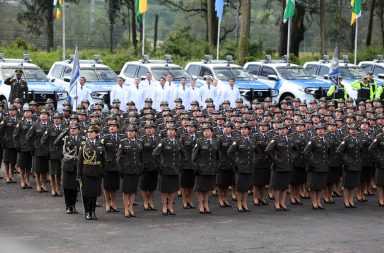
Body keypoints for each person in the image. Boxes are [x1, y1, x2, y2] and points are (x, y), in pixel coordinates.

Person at [153, 126, 186, 215]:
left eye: (172, 130)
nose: (170, 131)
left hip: (175, 169)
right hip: (165, 169)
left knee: (172, 189)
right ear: (167, 132)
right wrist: (160, 165)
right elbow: (155, 154)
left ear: (175, 132)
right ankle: (164, 206)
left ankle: (170, 206)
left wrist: (180, 164)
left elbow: (184, 155)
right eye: (169, 130)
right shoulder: (163, 142)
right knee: (164, 189)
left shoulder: (179, 142)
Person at [77, 126, 105, 220]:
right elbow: (80, 161)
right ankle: (87, 212)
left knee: (94, 193)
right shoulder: (84, 144)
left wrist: (103, 172)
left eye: (92, 132)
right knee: (86, 193)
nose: (89, 134)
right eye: (88, 132)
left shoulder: (100, 144)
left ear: (96, 134)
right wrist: (78, 174)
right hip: (86, 172)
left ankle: (93, 211)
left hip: (97, 173)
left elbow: (103, 160)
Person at [55, 124, 84, 214]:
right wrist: (64, 132)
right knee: (67, 187)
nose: (72, 130)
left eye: (75, 129)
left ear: (78, 130)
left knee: (75, 187)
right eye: (71, 129)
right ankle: (68, 206)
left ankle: (73, 206)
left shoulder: (82, 139)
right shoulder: (66, 138)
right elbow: (56, 143)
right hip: (67, 165)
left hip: (77, 165)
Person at [265, 124, 294, 211]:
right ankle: (277, 203)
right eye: (280, 129)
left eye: (283, 129)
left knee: (285, 186)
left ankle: (283, 202)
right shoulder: (275, 139)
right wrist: (275, 160)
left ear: (287, 130)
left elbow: (296, 150)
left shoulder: (291, 139)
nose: (282, 130)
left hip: (287, 165)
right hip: (278, 166)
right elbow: (267, 150)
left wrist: (292, 158)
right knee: (277, 186)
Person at [192, 124, 220, 214]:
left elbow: (218, 157)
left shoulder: (215, 142)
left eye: (208, 130)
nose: (206, 132)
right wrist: (196, 168)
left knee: (207, 188)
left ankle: (206, 204)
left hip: (211, 169)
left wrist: (216, 167)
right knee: (200, 188)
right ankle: (201, 204)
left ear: (212, 132)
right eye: (204, 131)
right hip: (201, 169)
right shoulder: (199, 142)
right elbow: (193, 158)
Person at [228, 124, 256, 212]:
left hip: (249, 166)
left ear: (249, 130)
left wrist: (253, 161)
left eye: (245, 129)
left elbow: (255, 152)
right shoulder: (237, 141)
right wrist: (235, 163)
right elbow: (229, 152)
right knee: (240, 187)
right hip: (240, 166)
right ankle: (239, 204)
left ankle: (245, 203)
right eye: (242, 129)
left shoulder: (252, 140)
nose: (243, 131)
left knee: (246, 187)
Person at [117, 125, 143, 218]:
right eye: (128, 131)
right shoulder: (123, 142)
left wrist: (141, 168)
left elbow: (141, 157)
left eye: (132, 131)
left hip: (136, 169)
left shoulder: (140, 142)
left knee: (133, 191)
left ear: (135, 132)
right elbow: (119, 158)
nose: (130, 133)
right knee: (126, 191)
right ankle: (126, 209)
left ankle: (131, 208)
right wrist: (120, 170)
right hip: (126, 170)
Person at [303, 124, 329, 210]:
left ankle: (319, 201)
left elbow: (328, 152)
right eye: (318, 129)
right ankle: (314, 202)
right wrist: (311, 162)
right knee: (314, 186)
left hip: (324, 165)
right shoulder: (313, 140)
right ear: (316, 131)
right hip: (315, 166)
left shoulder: (326, 139)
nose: (320, 131)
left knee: (321, 185)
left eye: (322, 129)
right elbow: (305, 152)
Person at [336, 124, 362, 208]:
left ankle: (351, 200)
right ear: (349, 130)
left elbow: (361, 151)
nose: (353, 130)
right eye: (351, 129)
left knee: (354, 184)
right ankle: (346, 200)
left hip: (357, 164)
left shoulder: (359, 139)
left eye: (355, 129)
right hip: (348, 165)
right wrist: (345, 160)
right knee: (347, 184)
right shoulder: (346, 139)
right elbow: (339, 151)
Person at [41, 113, 65, 197]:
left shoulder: (64, 129)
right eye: (55, 118)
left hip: (61, 154)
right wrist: (47, 151)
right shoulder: (50, 129)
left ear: (61, 120)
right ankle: (53, 189)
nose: (56, 120)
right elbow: (43, 141)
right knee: (51, 173)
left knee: (58, 173)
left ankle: (58, 189)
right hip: (52, 154)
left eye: (58, 118)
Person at [100, 120, 122, 212]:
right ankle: (107, 203)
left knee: (114, 186)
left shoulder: (121, 138)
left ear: (117, 128)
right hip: (107, 165)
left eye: (114, 126)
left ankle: (113, 203)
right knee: (106, 186)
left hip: (117, 165)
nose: (112, 127)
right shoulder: (105, 138)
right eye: (110, 126)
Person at [140, 123, 159, 211]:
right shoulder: (142, 139)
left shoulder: (158, 139)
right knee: (144, 185)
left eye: (150, 128)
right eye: (147, 128)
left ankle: (151, 201)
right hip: (145, 165)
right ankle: (145, 202)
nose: (148, 129)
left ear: (154, 129)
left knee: (152, 186)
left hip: (155, 165)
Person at [13, 107, 34, 189]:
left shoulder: (35, 123)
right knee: (22, 166)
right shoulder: (20, 123)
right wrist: (17, 145)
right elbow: (15, 135)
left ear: (31, 114)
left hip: (31, 147)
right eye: (25, 112)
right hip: (22, 147)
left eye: (28, 112)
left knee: (29, 166)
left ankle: (27, 180)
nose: (26, 113)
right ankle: (22, 180)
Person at [252, 122, 272, 206]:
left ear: (268, 127)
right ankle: (255, 198)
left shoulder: (270, 136)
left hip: (267, 161)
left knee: (264, 182)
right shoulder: (255, 136)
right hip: (258, 161)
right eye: (261, 126)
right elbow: (256, 147)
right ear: (259, 127)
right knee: (256, 182)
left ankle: (261, 197)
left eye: (265, 126)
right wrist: (266, 144)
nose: (263, 128)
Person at [289, 121, 308, 205]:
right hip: (294, 161)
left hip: (303, 161)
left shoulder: (307, 136)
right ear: (295, 127)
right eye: (298, 126)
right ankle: (292, 196)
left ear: (304, 127)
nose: (300, 127)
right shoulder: (292, 136)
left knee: (300, 181)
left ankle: (297, 196)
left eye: (301, 126)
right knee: (293, 181)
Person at [216, 122, 235, 207]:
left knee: (227, 183)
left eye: (228, 127)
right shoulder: (220, 138)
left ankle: (226, 199)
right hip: (222, 163)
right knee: (220, 184)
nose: (226, 129)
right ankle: (220, 199)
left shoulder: (235, 139)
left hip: (231, 164)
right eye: (225, 127)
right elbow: (217, 151)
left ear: (232, 129)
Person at [180, 122, 197, 209]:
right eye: (187, 127)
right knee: (184, 184)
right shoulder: (183, 137)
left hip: (194, 164)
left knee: (191, 184)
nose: (189, 128)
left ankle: (190, 201)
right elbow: (180, 150)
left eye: (191, 127)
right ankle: (184, 201)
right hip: (185, 164)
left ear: (195, 128)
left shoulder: (198, 137)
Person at [0, 105, 19, 183]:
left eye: (13, 110)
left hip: (15, 144)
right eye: (10, 110)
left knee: (13, 160)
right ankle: (7, 176)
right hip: (7, 143)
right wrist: (3, 141)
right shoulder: (5, 120)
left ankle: (12, 175)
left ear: (16, 111)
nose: (11, 111)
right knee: (7, 161)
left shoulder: (19, 120)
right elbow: (0, 131)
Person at [368, 125, 384, 206]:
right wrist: (378, 158)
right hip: (381, 163)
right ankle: (380, 199)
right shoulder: (379, 138)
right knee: (380, 183)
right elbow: (371, 149)